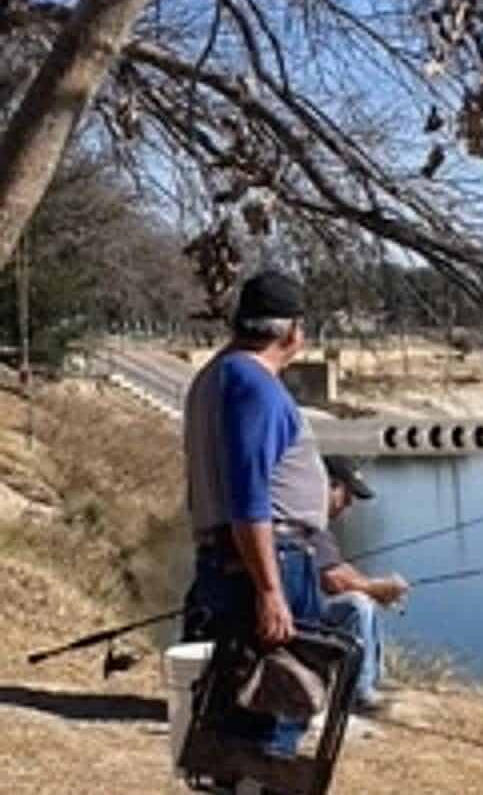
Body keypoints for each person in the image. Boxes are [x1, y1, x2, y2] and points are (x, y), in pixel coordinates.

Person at [180, 270, 329, 760]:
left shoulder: (214, 376)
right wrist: (269, 589)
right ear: (292, 333)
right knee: (276, 708)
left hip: (233, 558)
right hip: (269, 561)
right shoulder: (254, 385)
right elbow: (249, 495)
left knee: (237, 711)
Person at [311, 456, 409, 714]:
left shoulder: (319, 527)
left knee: (364, 599)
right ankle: (358, 694)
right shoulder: (307, 523)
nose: (350, 504)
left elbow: (339, 568)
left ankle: (373, 680)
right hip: (296, 613)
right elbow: (333, 580)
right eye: (348, 494)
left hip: (306, 607)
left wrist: (377, 588)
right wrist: (374, 589)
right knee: (357, 605)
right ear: (329, 485)